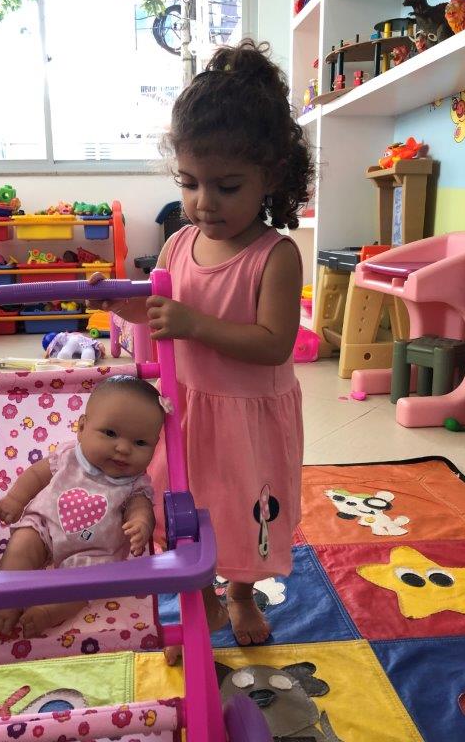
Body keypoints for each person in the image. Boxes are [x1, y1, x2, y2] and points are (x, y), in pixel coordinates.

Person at [89, 38, 312, 663]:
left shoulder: (276, 255)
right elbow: (159, 313)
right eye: (189, 183)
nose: (203, 202)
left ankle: (240, 593)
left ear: (270, 177)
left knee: (244, 513)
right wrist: (119, 301)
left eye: (226, 186)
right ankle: (198, 597)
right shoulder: (178, 244)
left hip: (249, 419)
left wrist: (195, 323)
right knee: (182, 508)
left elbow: (274, 345)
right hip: (185, 410)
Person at [0, 375, 164, 638]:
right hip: (44, 527)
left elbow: (140, 507)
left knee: (92, 581)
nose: (123, 448)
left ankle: (49, 611)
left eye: (140, 443)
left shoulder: (136, 483)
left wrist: (141, 523)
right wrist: (15, 500)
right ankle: (6, 601)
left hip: (95, 551)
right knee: (21, 544)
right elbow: (36, 475)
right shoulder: (68, 456)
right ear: (82, 427)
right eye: (110, 433)